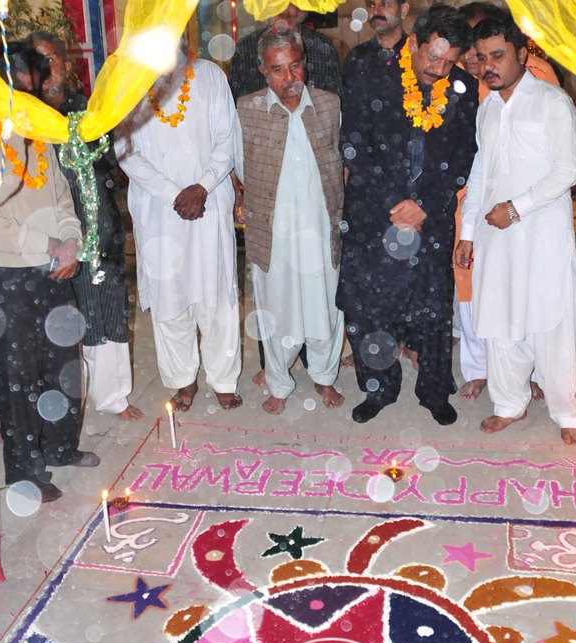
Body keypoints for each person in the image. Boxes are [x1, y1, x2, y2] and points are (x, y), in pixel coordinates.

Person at [0, 40, 98, 504]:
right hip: (9, 275)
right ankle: (26, 471)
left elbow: (63, 198)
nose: (28, 95)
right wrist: (48, 245)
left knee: (63, 365)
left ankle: (61, 446)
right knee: (20, 377)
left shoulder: (38, 132)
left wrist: (71, 243)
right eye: (18, 86)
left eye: (31, 86)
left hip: (55, 268)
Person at [338, 4, 478, 425]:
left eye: (449, 61)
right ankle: (378, 390)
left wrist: (425, 205)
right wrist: (395, 204)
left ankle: (434, 390)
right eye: (433, 57)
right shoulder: (370, 75)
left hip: (430, 218)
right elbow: (353, 145)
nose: (439, 69)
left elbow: (463, 156)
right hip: (374, 213)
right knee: (371, 310)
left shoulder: (464, 89)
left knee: (432, 309)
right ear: (414, 42)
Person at [455, 13, 576, 445]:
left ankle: (565, 410)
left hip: (542, 233)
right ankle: (509, 403)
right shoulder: (487, 107)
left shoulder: (552, 102)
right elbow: (480, 171)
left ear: (523, 55)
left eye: (498, 55)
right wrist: (467, 232)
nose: (488, 66)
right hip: (494, 235)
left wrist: (516, 209)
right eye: (481, 57)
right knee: (499, 317)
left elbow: (568, 169)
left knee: (550, 319)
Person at [115, 45, 242, 414]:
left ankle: (223, 379)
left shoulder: (210, 75)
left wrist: (202, 186)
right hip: (159, 209)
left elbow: (227, 139)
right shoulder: (129, 84)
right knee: (169, 297)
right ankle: (183, 380)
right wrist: (175, 193)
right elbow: (125, 151)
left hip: (210, 201)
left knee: (216, 295)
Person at [30, 32, 143, 421]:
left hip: (102, 224)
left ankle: (113, 396)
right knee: (70, 317)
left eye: (52, 58)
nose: (47, 68)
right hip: (56, 236)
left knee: (109, 307)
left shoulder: (90, 111)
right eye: (38, 61)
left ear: (67, 64)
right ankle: (69, 400)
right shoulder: (28, 118)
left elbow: (112, 163)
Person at [236, 29, 345, 415]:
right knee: (276, 306)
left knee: (325, 303)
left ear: (305, 64)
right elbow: (238, 165)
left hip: (320, 225)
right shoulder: (248, 109)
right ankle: (279, 382)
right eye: (278, 69)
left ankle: (324, 376)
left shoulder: (329, 104)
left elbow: (342, 159)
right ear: (263, 71)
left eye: (295, 65)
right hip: (274, 231)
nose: (289, 77)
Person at [454, 2, 557, 403]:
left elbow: (558, 156)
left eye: (490, 50)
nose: (479, 57)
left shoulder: (539, 76)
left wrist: (519, 204)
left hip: (528, 205)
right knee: (472, 284)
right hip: (469, 196)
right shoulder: (456, 77)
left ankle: (531, 371)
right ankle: (480, 368)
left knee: (528, 288)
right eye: (474, 48)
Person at [230, 3, 342, 101]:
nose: (289, 9)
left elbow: (336, 102)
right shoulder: (245, 49)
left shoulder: (323, 47)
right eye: (281, 3)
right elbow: (236, 104)